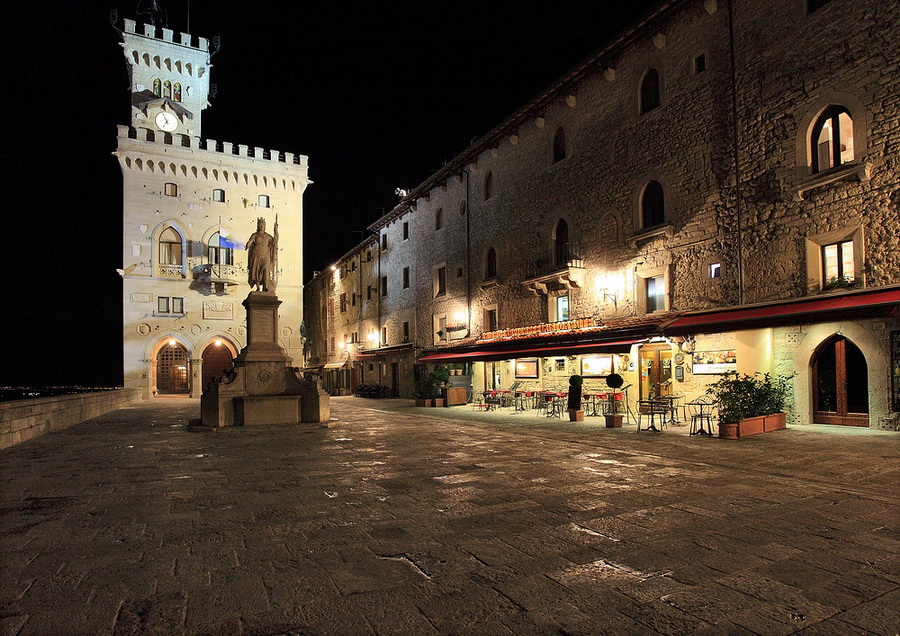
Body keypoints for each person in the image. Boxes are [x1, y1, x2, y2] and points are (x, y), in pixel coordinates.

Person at [246, 217, 278, 291]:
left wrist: (275, 231)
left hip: (265, 256)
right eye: (260, 225)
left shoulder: (268, 236)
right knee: (256, 271)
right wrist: (248, 244)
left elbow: (274, 242)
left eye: (263, 225)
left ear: (265, 226)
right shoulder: (255, 235)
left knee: (266, 270)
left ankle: (266, 285)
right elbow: (250, 241)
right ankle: (258, 287)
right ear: (257, 226)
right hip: (256, 255)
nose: (261, 226)